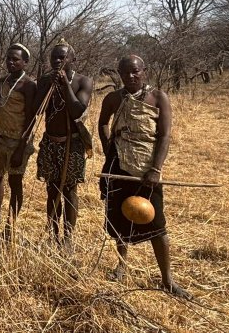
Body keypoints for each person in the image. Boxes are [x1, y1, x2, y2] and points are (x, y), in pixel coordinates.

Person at [98, 55, 191, 299]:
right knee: (119, 221)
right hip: (118, 167)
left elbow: (164, 136)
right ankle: (121, 266)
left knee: (157, 224)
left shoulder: (158, 98)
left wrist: (156, 169)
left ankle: (167, 279)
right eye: (125, 72)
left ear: (144, 72)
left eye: (135, 71)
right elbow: (102, 124)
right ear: (119, 74)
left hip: (146, 170)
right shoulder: (112, 99)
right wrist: (109, 148)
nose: (130, 76)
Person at [33, 39, 93, 254]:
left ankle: (68, 237)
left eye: (62, 57)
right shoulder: (44, 81)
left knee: (69, 190)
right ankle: (53, 233)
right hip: (50, 142)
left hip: (72, 144)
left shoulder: (83, 81)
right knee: (52, 189)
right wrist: (48, 84)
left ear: (72, 59)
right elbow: (37, 110)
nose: (58, 61)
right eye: (54, 57)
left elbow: (78, 111)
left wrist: (65, 84)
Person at [0, 44, 37, 230]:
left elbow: (32, 118)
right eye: (8, 58)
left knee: (14, 181)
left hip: (18, 141)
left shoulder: (28, 85)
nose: (11, 62)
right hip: (0, 139)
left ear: (25, 62)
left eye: (16, 59)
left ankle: (11, 223)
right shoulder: (2, 82)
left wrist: (22, 147)